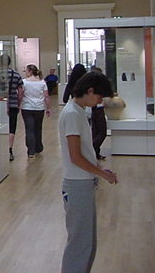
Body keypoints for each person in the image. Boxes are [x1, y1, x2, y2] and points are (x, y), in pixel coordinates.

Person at [59, 71, 117, 273]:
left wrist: (99, 170)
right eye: (100, 97)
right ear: (90, 91)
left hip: (83, 183)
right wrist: (102, 174)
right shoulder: (72, 114)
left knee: (87, 241)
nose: (100, 102)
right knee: (80, 242)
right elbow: (75, 156)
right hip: (77, 185)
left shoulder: (78, 111)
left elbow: (84, 152)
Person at [0, 55, 24, 161]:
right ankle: (9, 149)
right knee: (12, 127)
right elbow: (20, 91)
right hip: (13, 103)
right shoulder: (16, 75)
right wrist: (19, 103)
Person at [19, 64, 51, 158]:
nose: (25, 73)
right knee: (38, 128)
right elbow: (46, 96)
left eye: (26, 71)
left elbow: (21, 95)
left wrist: (18, 104)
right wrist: (48, 108)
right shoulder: (42, 82)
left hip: (27, 108)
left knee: (29, 129)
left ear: (29, 72)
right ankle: (38, 147)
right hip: (39, 108)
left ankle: (31, 151)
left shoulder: (24, 82)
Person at [89, 66, 108, 160]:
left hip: (93, 109)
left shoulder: (89, 85)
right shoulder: (98, 85)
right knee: (102, 132)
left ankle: (95, 153)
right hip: (98, 109)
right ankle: (92, 150)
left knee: (95, 131)